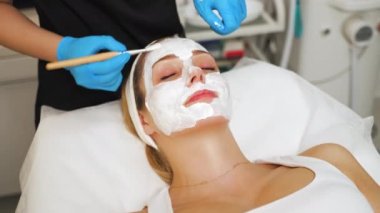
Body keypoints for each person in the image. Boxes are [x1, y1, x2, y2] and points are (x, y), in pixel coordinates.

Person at [121, 37, 380, 212]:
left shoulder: (330, 160)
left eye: (208, 67)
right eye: (169, 74)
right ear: (145, 122)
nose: (197, 74)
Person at [0, 0, 247, 126]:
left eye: (206, 67)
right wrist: (63, 51)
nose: (197, 75)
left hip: (164, 48)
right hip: (79, 91)